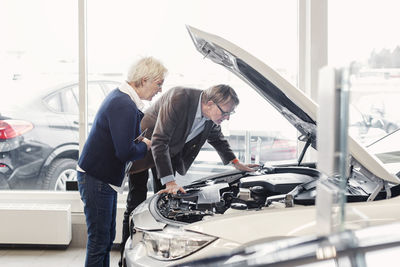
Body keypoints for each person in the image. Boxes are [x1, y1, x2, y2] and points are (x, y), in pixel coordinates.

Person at [120, 84, 258, 260]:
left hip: (165, 154)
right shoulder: (180, 98)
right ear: (209, 103)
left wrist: (237, 163)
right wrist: (170, 182)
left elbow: (218, 139)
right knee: (135, 201)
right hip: (145, 148)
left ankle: (158, 254)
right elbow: (159, 140)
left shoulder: (210, 118)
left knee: (164, 203)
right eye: (225, 113)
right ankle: (125, 254)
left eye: (230, 113)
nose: (227, 117)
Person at [77, 56, 167, 267]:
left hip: (99, 178)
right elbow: (125, 152)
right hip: (96, 178)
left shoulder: (123, 99)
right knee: (100, 241)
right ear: (144, 80)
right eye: (158, 84)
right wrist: (145, 145)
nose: (160, 90)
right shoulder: (123, 104)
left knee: (107, 236)